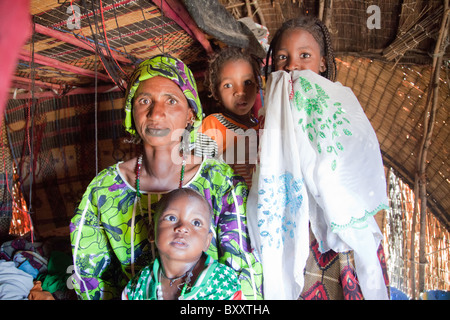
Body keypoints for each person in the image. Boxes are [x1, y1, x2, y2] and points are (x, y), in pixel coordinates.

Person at [70, 54, 263, 300]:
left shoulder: (220, 182)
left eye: (171, 101)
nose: (156, 113)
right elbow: (88, 278)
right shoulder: (103, 190)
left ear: (191, 114)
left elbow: (245, 273)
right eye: (144, 100)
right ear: (132, 111)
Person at [247, 16, 390, 300]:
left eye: (304, 56)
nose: (291, 66)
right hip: (287, 226)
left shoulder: (341, 105)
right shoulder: (265, 119)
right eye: (282, 58)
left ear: (322, 63)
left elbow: (357, 157)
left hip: (337, 232)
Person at [122, 188, 243, 300]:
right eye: (171, 218)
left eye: (196, 223)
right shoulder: (140, 283)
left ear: (207, 241)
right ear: (152, 232)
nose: (182, 228)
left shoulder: (222, 283)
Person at [199, 47, 261, 188]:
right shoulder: (212, 125)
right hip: (228, 205)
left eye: (247, 82)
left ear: (257, 86)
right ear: (215, 93)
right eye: (228, 85)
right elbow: (200, 172)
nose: (239, 92)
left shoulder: (261, 126)